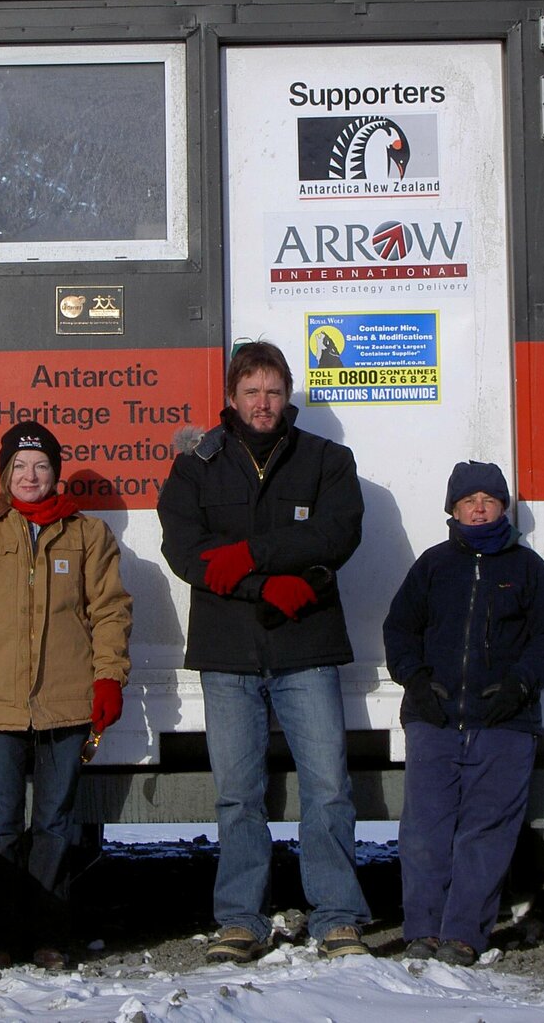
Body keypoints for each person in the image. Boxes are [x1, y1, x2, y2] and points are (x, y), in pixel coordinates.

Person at [157, 340, 370, 962]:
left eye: (273, 391)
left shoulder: (328, 459)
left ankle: (336, 916)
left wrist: (252, 555)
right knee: (238, 793)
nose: (263, 403)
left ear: (287, 395)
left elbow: (337, 532)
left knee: (329, 787)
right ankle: (241, 920)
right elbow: (184, 549)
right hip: (228, 653)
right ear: (231, 397)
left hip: (306, 645)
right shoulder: (198, 465)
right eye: (251, 391)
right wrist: (263, 583)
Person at [0, 420, 132, 969]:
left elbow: (109, 613)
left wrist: (108, 678)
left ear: (55, 474)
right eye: (19, 466)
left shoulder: (88, 536)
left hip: (67, 703)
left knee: (57, 824)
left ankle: (48, 936)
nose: (30, 475)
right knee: (0, 825)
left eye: (41, 466)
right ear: (4, 474)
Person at [383, 460, 544, 966]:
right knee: (425, 830)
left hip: (505, 724)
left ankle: (464, 935)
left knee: (486, 832)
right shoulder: (433, 565)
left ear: (503, 507)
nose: (480, 506)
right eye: (470, 500)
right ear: (455, 510)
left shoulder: (527, 569)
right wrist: (416, 683)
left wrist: (520, 684)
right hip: (434, 720)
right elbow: (399, 629)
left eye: (489, 499)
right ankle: (422, 929)